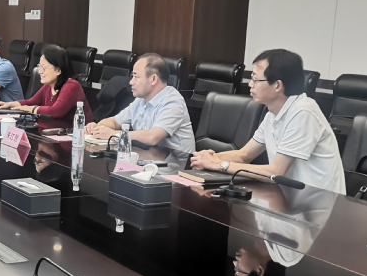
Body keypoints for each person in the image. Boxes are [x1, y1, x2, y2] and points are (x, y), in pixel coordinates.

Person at [191, 49, 345, 194]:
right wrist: (210, 158)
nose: (250, 84)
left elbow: (276, 172)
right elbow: (244, 155)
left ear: (277, 85)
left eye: (255, 79)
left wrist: (218, 165)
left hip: (318, 202)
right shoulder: (273, 113)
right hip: (289, 196)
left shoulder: (303, 112)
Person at [85, 53, 195, 153]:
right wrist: (97, 128)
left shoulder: (173, 102)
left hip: (173, 164)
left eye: (136, 77)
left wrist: (114, 134)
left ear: (153, 79)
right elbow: (114, 122)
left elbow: (153, 137)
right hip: (146, 159)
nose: (131, 82)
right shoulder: (141, 100)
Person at [0, 44, 92, 123]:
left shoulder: (71, 85)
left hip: (75, 136)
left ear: (58, 70)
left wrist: (30, 109)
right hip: (52, 133)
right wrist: (9, 104)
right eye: (39, 66)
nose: (39, 72)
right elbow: (31, 102)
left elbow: (56, 111)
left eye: (44, 67)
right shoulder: (49, 85)